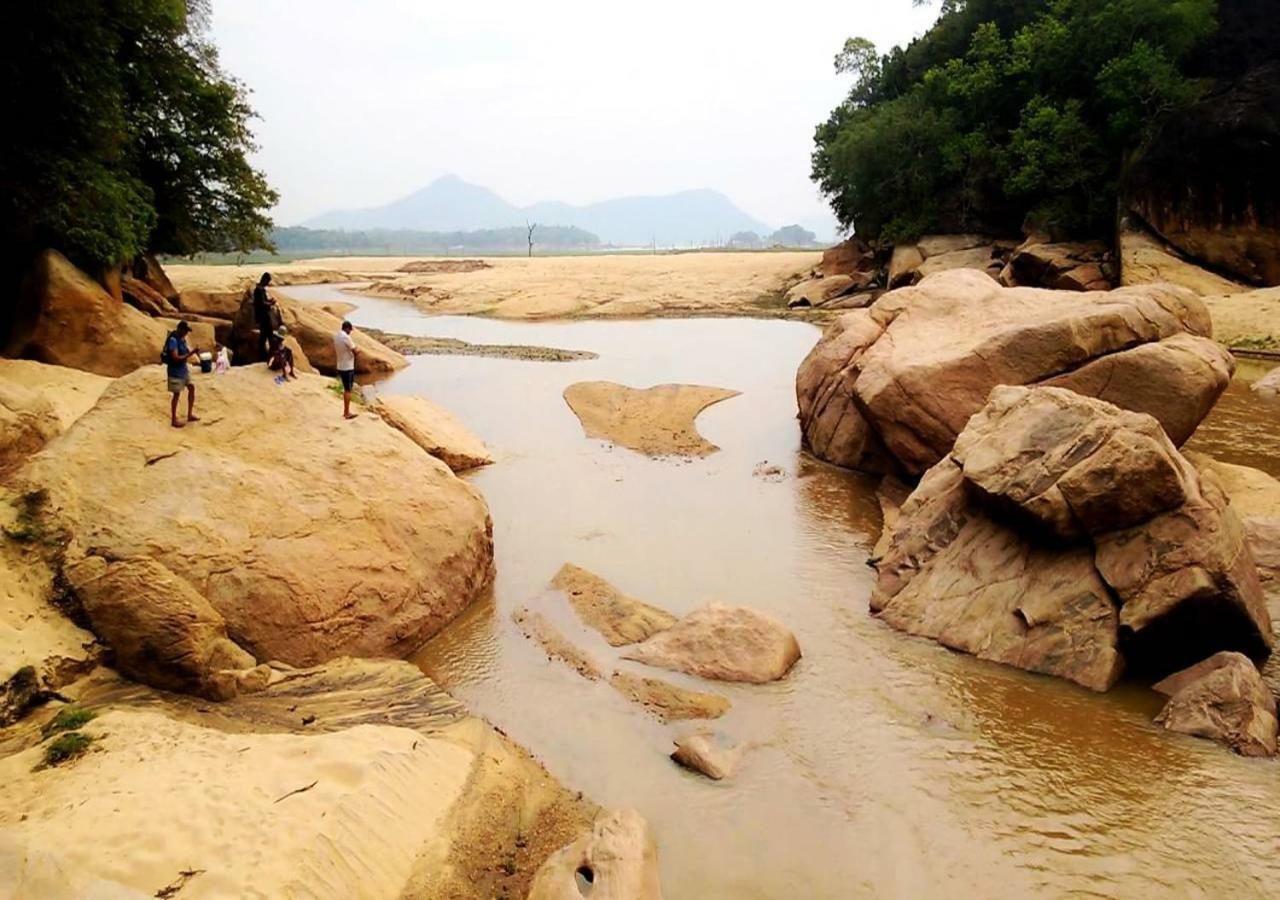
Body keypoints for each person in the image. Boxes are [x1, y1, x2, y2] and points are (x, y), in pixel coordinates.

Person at [164, 321, 200, 428]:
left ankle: (189, 414)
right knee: (176, 394)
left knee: (191, 387)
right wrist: (191, 354)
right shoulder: (173, 340)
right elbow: (175, 357)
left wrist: (193, 352)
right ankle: (174, 419)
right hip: (175, 370)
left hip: (183, 369)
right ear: (180, 329)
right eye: (185, 331)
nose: (186, 333)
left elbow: (185, 350)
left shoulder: (182, 339)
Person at [333, 320, 359, 419]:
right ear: (347, 328)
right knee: (348, 390)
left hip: (340, 365)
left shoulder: (336, 336)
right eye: (350, 330)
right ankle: (346, 412)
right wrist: (358, 350)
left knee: (346, 388)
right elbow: (355, 351)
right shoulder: (346, 337)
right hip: (347, 367)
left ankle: (346, 411)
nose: (350, 332)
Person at [252, 272, 277, 359]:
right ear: (264, 280)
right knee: (268, 335)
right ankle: (268, 355)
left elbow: (263, 301)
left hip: (263, 316)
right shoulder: (259, 290)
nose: (268, 283)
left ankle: (264, 355)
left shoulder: (260, 289)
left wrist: (269, 301)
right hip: (263, 316)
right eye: (267, 281)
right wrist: (270, 304)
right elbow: (261, 303)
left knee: (265, 336)